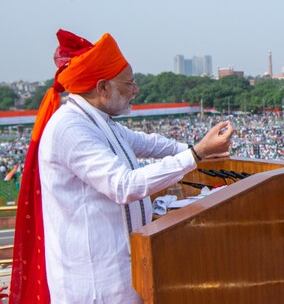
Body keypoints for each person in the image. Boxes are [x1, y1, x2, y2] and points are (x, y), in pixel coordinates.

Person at [12, 30, 235, 303]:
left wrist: (197, 149)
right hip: (95, 281)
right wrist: (196, 154)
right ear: (103, 87)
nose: (136, 90)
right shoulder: (70, 127)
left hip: (120, 272)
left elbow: (147, 143)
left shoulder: (98, 121)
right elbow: (123, 186)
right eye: (128, 84)